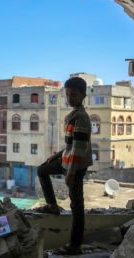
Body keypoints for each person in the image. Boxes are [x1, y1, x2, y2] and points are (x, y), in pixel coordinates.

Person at [37, 76, 93, 255]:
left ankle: (75, 245)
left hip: (75, 165)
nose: (70, 98)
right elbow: (70, 146)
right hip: (67, 160)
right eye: (67, 95)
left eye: (74, 95)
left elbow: (79, 149)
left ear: (83, 95)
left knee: (77, 205)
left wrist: (70, 173)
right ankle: (52, 205)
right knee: (42, 170)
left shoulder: (81, 118)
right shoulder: (73, 115)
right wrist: (57, 155)